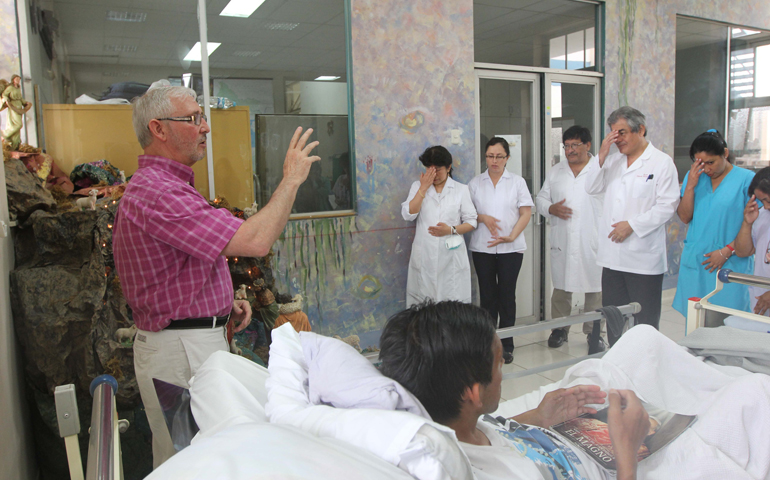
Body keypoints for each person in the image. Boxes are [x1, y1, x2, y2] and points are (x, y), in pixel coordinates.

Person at [113, 85, 320, 467]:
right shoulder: (158, 193)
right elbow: (255, 241)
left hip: (191, 341)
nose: (205, 127)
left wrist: (225, 302)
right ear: (158, 129)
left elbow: (183, 263)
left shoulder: (169, 187)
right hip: (181, 352)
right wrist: (290, 180)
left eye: (202, 117)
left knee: (205, 456)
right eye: (193, 119)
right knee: (199, 462)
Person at [379, 301, 650, 480]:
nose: (502, 373)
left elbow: (485, 431)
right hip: (620, 463)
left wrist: (538, 417)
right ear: (472, 394)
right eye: (499, 364)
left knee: (642, 342)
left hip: (554, 437)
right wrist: (626, 458)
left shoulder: (455, 422)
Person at [585, 107, 679, 330]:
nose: (617, 139)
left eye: (622, 132)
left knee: (644, 322)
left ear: (641, 130)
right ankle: (617, 361)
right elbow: (591, 187)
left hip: (643, 259)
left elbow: (668, 206)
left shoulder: (661, 162)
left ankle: (644, 363)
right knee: (614, 319)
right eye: (613, 134)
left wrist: (633, 225)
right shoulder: (613, 161)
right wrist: (601, 155)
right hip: (612, 258)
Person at [536, 126, 605, 352]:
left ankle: (594, 333)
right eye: (566, 146)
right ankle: (560, 330)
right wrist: (550, 208)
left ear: (588, 145)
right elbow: (541, 198)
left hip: (591, 238)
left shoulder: (601, 169)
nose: (570, 150)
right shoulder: (556, 171)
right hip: (563, 238)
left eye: (575, 145)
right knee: (561, 289)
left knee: (594, 291)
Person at [672, 130, 754, 316]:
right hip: (697, 261)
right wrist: (691, 185)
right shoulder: (694, 177)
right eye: (700, 163)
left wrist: (727, 251)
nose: (707, 169)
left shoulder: (746, 180)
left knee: (729, 323)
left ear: (724, 154)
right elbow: (685, 217)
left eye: (711, 162)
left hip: (731, 263)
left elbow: (753, 226)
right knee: (696, 322)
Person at [468, 137, 534, 364]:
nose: (494, 161)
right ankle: (488, 345)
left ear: (507, 158)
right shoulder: (475, 183)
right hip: (482, 248)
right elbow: (466, 213)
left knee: (507, 296)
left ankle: (506, 344)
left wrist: (513, 235)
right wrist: (482, 217)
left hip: (511, 249)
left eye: (499, 156)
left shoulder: (517, 182)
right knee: (487, 298)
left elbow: (526, 212)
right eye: (490, 156)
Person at [401, 145, 478, 307]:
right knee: (423, 304)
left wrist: (450, 230)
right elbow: (408, 214)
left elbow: (471, 222)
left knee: (451, 302)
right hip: (425, 254)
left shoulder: (460, 190)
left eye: (438, 169)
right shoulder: (417, 187)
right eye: (429, 169)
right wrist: (423, 188)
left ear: (449, 168)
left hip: (451, 254)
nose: (433, 174)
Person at [734, 167, 770, 315]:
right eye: (762, 201)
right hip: (761, 302)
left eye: (767, 200)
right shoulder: (762, 216)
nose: (766, 206)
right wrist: (747, 223)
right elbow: (743, 251)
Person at [1, 74, 32, 150]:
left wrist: (25, 103)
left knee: (17, 129)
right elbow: (4, 95)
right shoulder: (10, 88)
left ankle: (15, 144)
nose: (18, 81)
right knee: (18, 125)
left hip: (19, 107)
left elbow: (20, 98)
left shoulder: (18, 88)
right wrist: (7, 101)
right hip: (13, 107)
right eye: (16, 79)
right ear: (13, 80)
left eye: (19, 79)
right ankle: (5, 133)